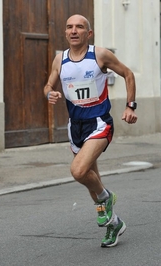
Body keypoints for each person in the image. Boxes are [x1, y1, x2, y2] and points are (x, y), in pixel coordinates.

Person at [43, 14, 137, 248]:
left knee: (78, 171)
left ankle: (107, 197)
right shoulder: (59, 59)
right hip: (75, 126)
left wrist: (130, 106)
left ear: (89, 33)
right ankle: (113, 224)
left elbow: (128, 74)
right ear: (65, 33)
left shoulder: (100, 55)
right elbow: (48, 85)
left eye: (79, 27)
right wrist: (49, 94)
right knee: (89, 179)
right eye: (69, 27)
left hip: (99, 122)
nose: (73, 31)